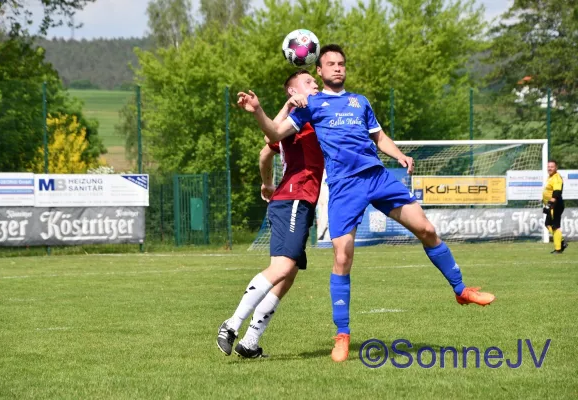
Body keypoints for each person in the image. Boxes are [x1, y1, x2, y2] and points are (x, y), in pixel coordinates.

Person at [237, 44, 496, 363]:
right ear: (319, 70)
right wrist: (259, 110)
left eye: (341, 64)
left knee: (427, 229)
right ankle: (342, 335)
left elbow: (379, 136)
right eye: (330, 63)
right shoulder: (310, 105)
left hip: (377, 177)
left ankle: (461, 290)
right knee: (343, 256)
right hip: (345, 187)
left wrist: (399, 154)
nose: (337, 68)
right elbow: (275, 132)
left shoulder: (359, 102)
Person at [217, 70, 324, 358]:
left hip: (296, 200)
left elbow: (266, 154)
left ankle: (250, 342)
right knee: (282, 269)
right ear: (293, 91)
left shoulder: (311, 114)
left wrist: (266, 183)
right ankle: (231, 325)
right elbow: (271, 135)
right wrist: (268, 108)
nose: (315, 85)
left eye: (315, 82)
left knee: (287, 274)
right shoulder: (298, 120)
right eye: (309, 82)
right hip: (293, 198)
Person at [543, 160, 567, 254]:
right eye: (548, 166)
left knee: (555, 226)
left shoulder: (556, 177)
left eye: (552, 166)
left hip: (555, 205)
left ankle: (558, 248)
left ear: (556, 168)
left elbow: (557, 192)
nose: (550, 168)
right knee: (548, 224)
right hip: (551, 204)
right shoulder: (550, 177)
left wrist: (550, 204)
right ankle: (561, 241)